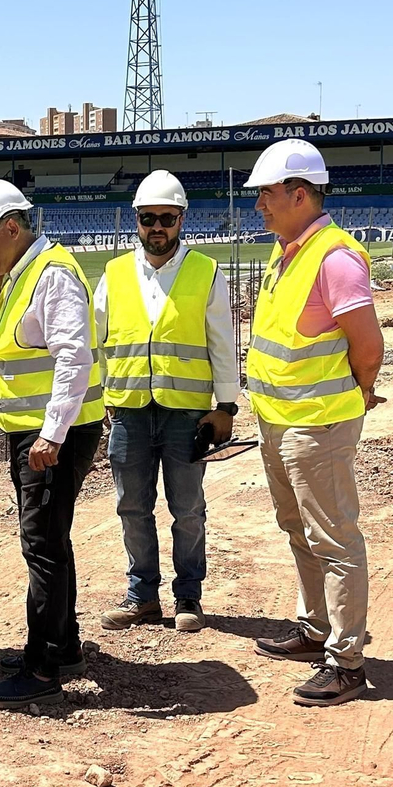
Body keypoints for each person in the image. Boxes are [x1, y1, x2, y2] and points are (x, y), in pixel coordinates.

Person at [244, 139, 385, 707]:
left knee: (335, 539)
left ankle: (346, 661)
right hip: (280, 421)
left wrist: (362, 388)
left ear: (299, 194)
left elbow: (367, 345)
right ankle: (315, 627)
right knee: (296, 528)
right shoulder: (288, 252)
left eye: (267, 194)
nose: (259, 204)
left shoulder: (334, 257)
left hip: (317, 425)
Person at [0, 179, 104, 710]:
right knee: (49, 539)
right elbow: (13, 341)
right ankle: (62, 649)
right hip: (32, 429)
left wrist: (52, 432)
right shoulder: (19, 275)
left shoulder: (55, 275)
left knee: (41, 544)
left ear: (11, 229)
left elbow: (74, 358)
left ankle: (44, 665)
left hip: (52, 434)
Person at [93, 170, 239, 634]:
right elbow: (95, 344)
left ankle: (188, 597)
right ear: (136, 220)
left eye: (167, 218)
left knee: (188, 509)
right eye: (149, 218)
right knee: (131, 507)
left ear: (181, 220)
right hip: (130, 412)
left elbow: (222, 343)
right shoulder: (114, 274)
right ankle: (142, 596)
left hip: (185, 413)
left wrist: (226, 406)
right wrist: (99, 401)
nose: (158, 227)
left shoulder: (206, 272)